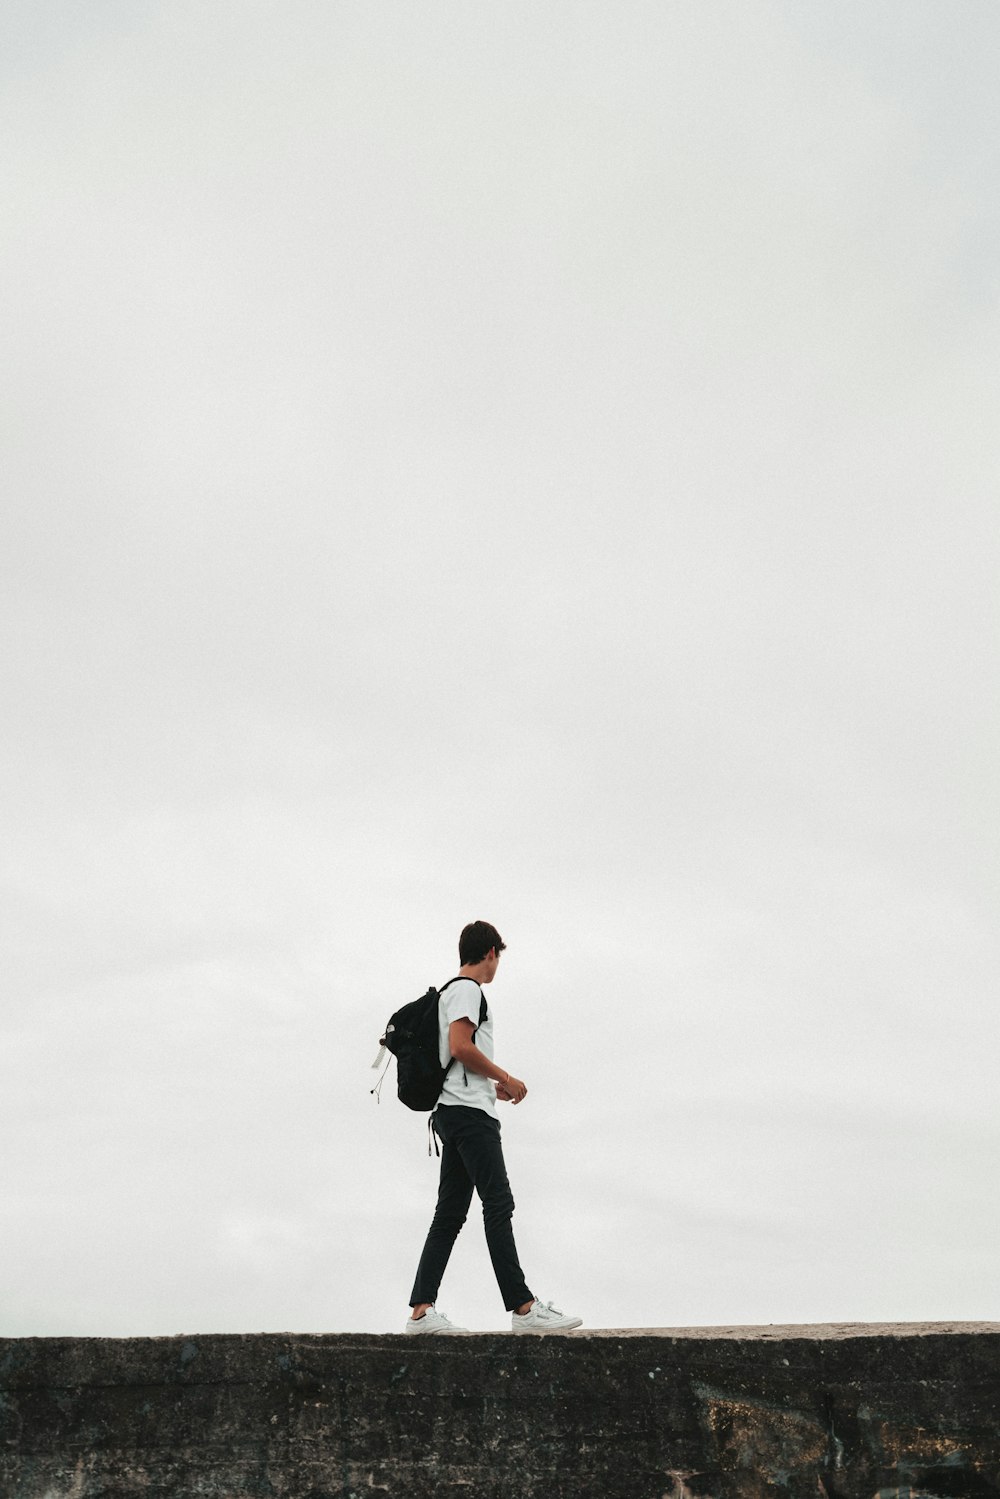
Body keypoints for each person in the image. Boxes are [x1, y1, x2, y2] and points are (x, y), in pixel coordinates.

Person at [405, 920, 582, 1336]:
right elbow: (463, 1047)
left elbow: (456, 1057)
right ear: (490, 953)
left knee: (449, 1215)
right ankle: (524, 1309)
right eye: (498, 956)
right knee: (498, 1204)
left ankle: (420, 1312)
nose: (497, 964)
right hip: (469, 1118)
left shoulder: (448, 991)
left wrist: (490, 1087)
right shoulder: (468, 990)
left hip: (453, 1112)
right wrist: (507, 1077)